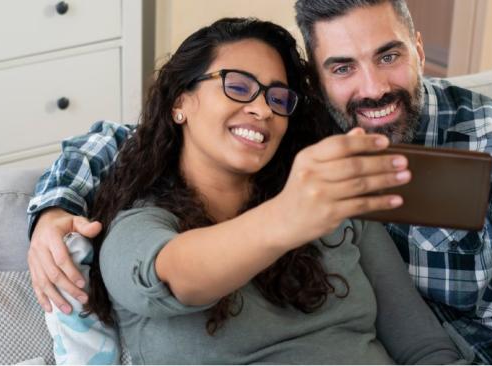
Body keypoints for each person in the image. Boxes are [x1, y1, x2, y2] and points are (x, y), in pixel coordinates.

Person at [26, 0, 492, 364]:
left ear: (418, 50)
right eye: (342, 66)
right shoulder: (157, 216)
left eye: (389, 55)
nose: (370, 87)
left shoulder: (489, 141)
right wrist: (53, 209)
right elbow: (164, 256)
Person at [66, 17, 462, 364]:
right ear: (180, 101)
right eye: (238, 86)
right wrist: (288, 216)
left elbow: (424, 349)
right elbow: (176, 278)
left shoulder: (330, 206)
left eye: (278, 97)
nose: (263, 109)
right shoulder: (137, 227)